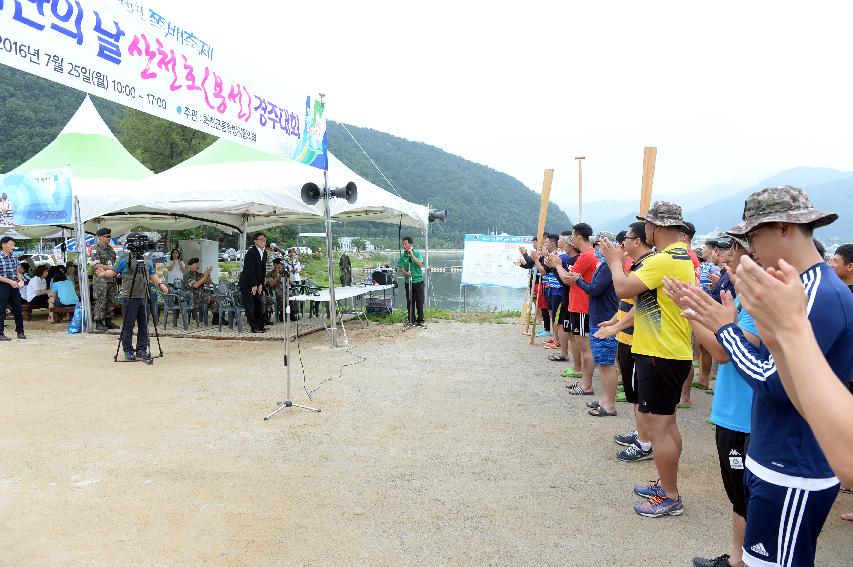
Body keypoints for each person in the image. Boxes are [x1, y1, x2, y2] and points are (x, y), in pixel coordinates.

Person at [674, 186, 852, 566]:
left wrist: (725, 329)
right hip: (773, 455)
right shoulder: (798, 288)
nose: (750, 248)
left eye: (754, 236)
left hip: (794, 467)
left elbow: (774, 384)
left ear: (785, 228)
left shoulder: (820, 295)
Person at [662, 237, 759, 567]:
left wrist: (690, 314)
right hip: (733, 414)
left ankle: (743, 561)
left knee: (746, 498)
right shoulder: (744, 302)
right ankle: (737, 559)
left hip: (745, 419)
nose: (728, 265)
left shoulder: (758, 307)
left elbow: (722, 352)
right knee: (738, 497)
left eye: (736, 260)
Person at [600, 201, 695, 518]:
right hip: (666, 351)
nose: (646, 230)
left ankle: (670, 495)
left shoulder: (665, 259)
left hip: (660, 353)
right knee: (666, 425)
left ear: (657, 228)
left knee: (659, 429)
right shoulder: (678, 257)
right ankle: (666, 483)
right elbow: (646, 306)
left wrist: (615, 262)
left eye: (648, 225)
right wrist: (616, 325)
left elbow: (624, 287)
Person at [595, 222, 655, 461]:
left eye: (626, 239)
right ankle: (642, 433)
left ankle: (645, 443)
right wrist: (614, 322)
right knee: (634, 394)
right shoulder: (640, 266)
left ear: (638, 241)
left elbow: (626, 295)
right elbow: (629, 304)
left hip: (637, 340)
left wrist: (614, 262)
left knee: (640, 396)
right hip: (627, 337)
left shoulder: (647, 266)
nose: (622, 244)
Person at [565, 232, 620, 415]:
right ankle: (605, 399)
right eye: (597, 245)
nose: (597, 249)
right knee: (603, 361)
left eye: (600, 245)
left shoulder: (607, 267)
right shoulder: (604, 266)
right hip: (600, 315)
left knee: (606, 363)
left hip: (604, 317)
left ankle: (609, 404)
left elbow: (595, 290)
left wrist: (578, 280)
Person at [97, 251, 169, 361]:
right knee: (128, 326)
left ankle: (141, 349)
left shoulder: (146, 260)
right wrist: (104, 273)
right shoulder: (125, 259)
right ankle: (128, 351)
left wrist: (160, 284)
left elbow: (151, 274)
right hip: (129, 298)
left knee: (144, 326)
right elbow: (113, 271)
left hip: (144, 297)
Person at [561, 223, 597, 395]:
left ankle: (587, 385)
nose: (571, 239)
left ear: (579, 237)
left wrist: (557, 265)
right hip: (579, 304)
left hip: (582, 306)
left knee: (585, 347)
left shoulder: (586, 255)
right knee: (583, 345)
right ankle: (584, 381)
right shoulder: (589, 254)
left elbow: (568, 279)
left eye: (572, 236)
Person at [239, 232, 268, 333]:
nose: (264, 241)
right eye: (261, 239)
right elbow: (250, 270)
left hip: (257, 282)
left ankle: (261, 325)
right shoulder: (251, 253)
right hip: (247, 283)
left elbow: (262, 270)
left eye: (265, 239)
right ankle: (253, 327)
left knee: (259, 303)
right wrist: (254, 285)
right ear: (255, 241)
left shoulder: (264, 253)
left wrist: (260, 284)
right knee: (250, 305)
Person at [92, 227, 119, 332]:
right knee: (101, 300)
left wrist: (115, 271)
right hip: (101, 280)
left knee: (110, 300)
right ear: (100, 237)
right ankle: (99, 322)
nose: (109, 238)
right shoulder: (96, 249)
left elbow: (114, 262)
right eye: (107, 237)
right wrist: (111, 268)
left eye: (110, 236)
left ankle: (108, 321)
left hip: (111, 279)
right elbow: (96, 265)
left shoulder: (111, 249)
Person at [0, 236, 26, 340]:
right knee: (1, 309)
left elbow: (17, 271)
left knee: (18, 309)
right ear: (3, 245)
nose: (13, 247)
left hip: (14, 285)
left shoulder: (14, 257)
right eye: (11, 244)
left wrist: (20, 280)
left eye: (13, 245)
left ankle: (20, 331)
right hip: (2, 285)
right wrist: (10, 282)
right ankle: (0, 333)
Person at [184, 258, 221, 325]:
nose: (197, 266)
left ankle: (217, 318)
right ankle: (217, 319)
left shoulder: (199, 274)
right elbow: (195, 285)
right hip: (194, 296)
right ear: (190, 266)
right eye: (195, 264)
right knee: (213, 298)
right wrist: (205, 276)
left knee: (217, 296)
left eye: (198, 264)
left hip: (202, 294)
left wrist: (208, 274)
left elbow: (208, 282)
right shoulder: (187, 276)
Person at [398, 236, 425, 326]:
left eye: (405, 244)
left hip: (418, 281)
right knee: (410, 301)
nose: (404, 246)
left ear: (410, 244)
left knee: (419, 301)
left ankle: (420, 320)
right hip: (408, 282)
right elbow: (401, 270)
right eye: (403, 244)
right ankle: (411, 320)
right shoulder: (403, 256)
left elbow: (420, 264)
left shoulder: (417, 253)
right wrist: (406, 273)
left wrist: (412, 255)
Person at [265, 258, 286, 323]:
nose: (280, 266)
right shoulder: (270, 274)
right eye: (279, 264)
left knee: (293, 297)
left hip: (284, 290)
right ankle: (282, 314)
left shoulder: (283, 272)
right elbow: (271, 285)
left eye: (281, 264)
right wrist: (277, 277)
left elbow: (289, 282)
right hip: (275, 291)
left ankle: (293, 313)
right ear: (274, 265)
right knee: (281, 296)